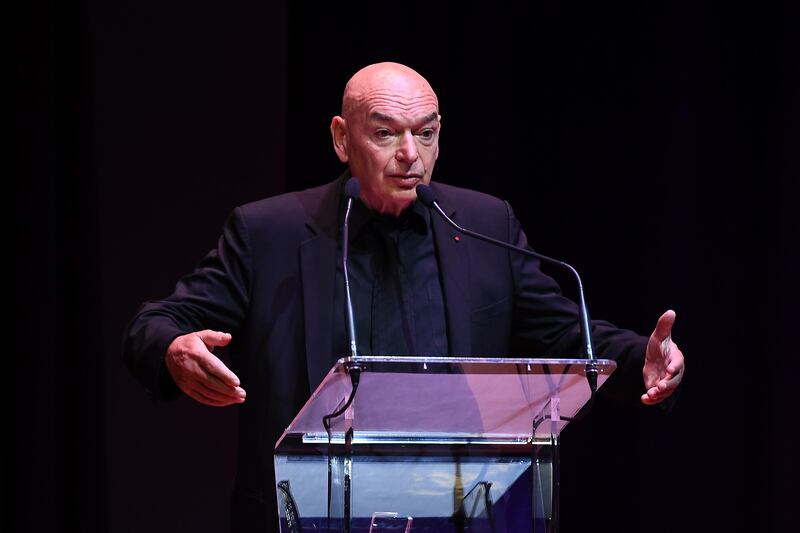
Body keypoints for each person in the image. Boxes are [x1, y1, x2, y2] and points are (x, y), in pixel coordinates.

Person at [123, 61, 685, 532]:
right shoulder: (269, 234)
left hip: (457, 508)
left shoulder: (483, 223)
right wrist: (173, 349)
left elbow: (566, 332)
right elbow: (157, 322)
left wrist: (642, 359)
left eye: (426, 133)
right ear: (342, 139)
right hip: (307, 514)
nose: (410, 155)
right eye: (386, 133)